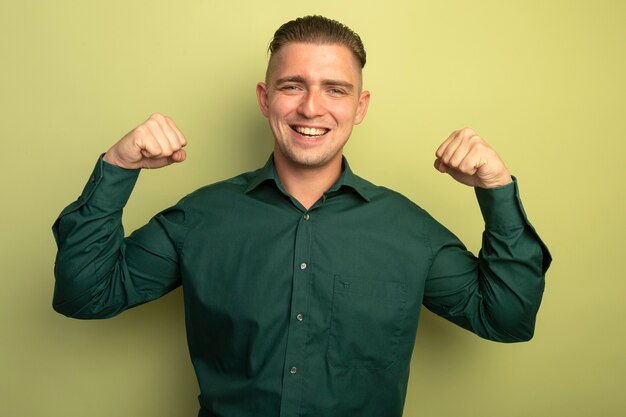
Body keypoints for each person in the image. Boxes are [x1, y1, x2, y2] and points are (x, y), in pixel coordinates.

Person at [52, 15, 551, 417]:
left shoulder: (408, 230)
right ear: (265, 99)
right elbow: (85, 295)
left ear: (360, 107)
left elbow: (505, 319)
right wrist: (117, 166)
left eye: (336, 89)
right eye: (293, 86)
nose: (312, 107)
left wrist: (496, 189)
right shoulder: (199, 218)